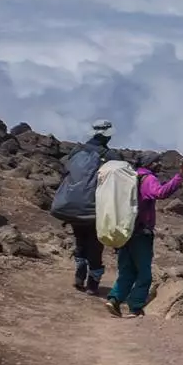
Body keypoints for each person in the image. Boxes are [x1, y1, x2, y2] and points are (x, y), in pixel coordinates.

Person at [104, 153, 183, 318]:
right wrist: (179, 177)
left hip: (125, 231)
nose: (159, 164)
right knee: (144, 273)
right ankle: (135, 306)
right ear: (149, 164)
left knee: (127, 270)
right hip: (141, 233)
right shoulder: (148, 179)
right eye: (156, 161)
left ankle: (114, 299)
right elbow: (160, 193)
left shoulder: (132, 178)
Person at [53, 119, 120, 296]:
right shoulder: (110, 156)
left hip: (73, 206)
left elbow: (66, 173)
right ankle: (92, 283)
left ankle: (79, 275)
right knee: (95, 246)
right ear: (107, 135)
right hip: (94, 210)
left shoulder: (77, 151)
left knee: (80, 240)